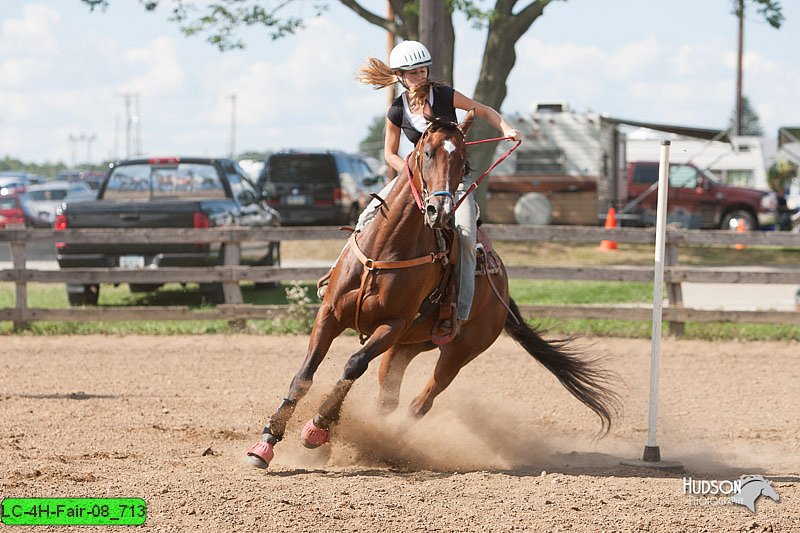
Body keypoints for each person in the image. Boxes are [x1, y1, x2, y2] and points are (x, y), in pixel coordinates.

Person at [325, 40, 521, 339]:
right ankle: (333, 279)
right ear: (400, 75)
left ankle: (461, 309)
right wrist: (409, 168)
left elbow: (482, 110)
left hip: (452, 182)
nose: (420, 76)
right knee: (366, 218)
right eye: (413, 72)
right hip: (413, 178)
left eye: (422, 70)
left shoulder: (443, 94)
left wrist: (506, 128)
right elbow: (389, 153)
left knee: (467, 238)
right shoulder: (397, 109)